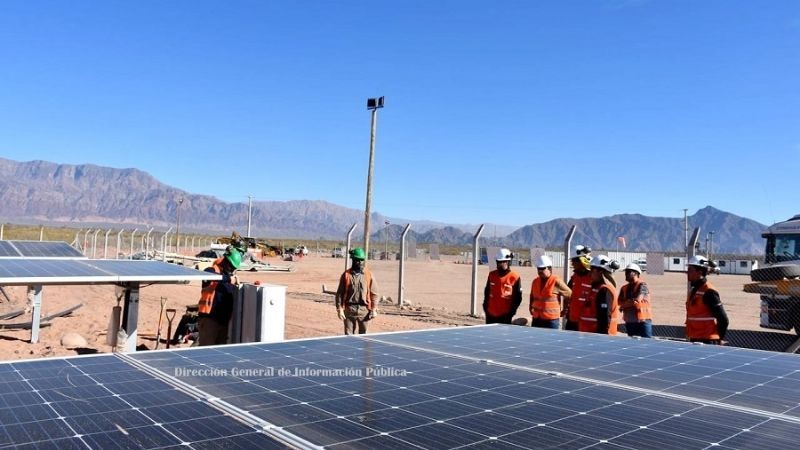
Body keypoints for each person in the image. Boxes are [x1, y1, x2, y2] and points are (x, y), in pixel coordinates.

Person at [197, 245, 242, 346]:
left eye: (234, 268)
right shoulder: (212, 271)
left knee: (218, 354)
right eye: (231, 266)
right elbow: (207, 275)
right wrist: (229, 279)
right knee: (206, 353)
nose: (232, 269)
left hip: (223, 322)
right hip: (209, 320)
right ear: (225, 261)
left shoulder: (228, 276)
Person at [686, 255, 729, 344]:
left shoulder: (709, 291)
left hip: (708, 340)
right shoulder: (695, 290)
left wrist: (719, 338)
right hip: (695, 338)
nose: (687, 272)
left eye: (690, 269)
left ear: (700, 272)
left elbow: (723, 319)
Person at [335, 247, 378, 335]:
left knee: (364, 336)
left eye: (361, 260)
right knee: (349, 337)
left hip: (364, 310)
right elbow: (340, 294)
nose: (359, 262)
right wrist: (340, 309)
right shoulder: (346, 275)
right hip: (349, 309)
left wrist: (374, 309)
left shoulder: (369, 275)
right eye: (357, 260)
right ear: (353, 260)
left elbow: (374, 294)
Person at [579, 255, 620, 335]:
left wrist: (601, 339)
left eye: (592, 270)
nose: (589, 274)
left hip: (598, 338)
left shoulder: (605, 290)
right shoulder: (596, 288)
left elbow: (604, 319)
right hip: (590, 336)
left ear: (600, 272)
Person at [529, 255, 571, 329]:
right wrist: (530, 307)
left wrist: (565, 309)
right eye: (538, 269)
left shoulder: (556, 281)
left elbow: (569, 294)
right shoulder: (535, 281)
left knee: (550, 339)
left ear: (549, 268)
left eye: (542, 268)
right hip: (536, 318)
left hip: (551, 320)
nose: (540, 271)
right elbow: (532, 296)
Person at [483, 248, 522, 324]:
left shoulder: (514, 277)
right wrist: (486, 307)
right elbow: (487, 291)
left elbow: (518, 298)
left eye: (502, 262)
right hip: (490, 314)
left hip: (505, 316)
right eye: (498, 262)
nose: (500, 264)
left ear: (508, 262)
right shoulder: (492, 275)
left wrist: (511, 313)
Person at [619, 263, 653, 338]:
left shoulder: (643, 285)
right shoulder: (624, 288)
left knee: (646, 344)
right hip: (630, 321)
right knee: (633, 345)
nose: (626, 274)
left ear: (636, 273)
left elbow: (637, 300)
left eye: (628, 272)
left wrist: (624, 305)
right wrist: (625, 304)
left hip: (643, 320)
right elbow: (619, 302)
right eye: (626, 272)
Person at [564, 245, 592, 331]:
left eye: (573, 261)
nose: (572, 264)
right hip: (572, 319)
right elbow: (568, 294)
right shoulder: (574, 278)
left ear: (581, 261)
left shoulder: (593, 278)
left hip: (586, 322)